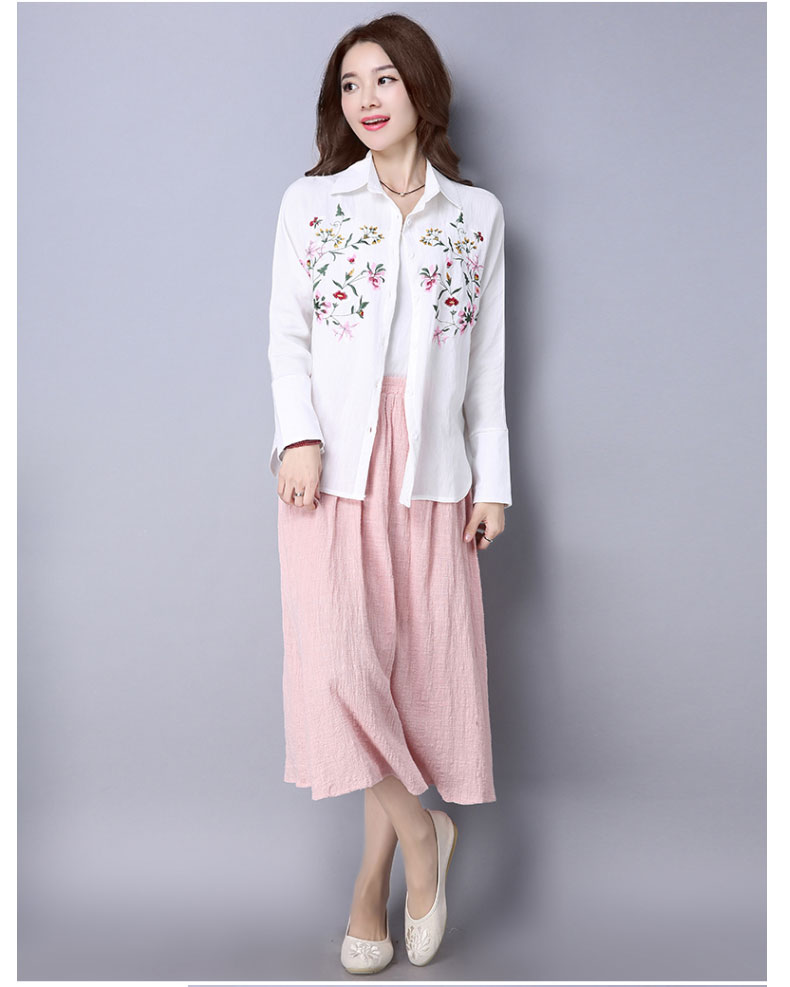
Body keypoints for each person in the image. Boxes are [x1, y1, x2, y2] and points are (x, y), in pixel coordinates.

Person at [266, 12, 512, 973]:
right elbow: (287, 334)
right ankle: (422, 831)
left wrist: (492, 481)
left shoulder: (477, 217)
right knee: (340, 665)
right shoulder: (312, 202)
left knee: (409, 683)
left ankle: (368, 887)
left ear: (420, 89)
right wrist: (297, 435)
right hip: (330, 463)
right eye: (349, 85)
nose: (365, 100)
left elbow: (486, 366)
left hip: (432, 472)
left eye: (383, 80)